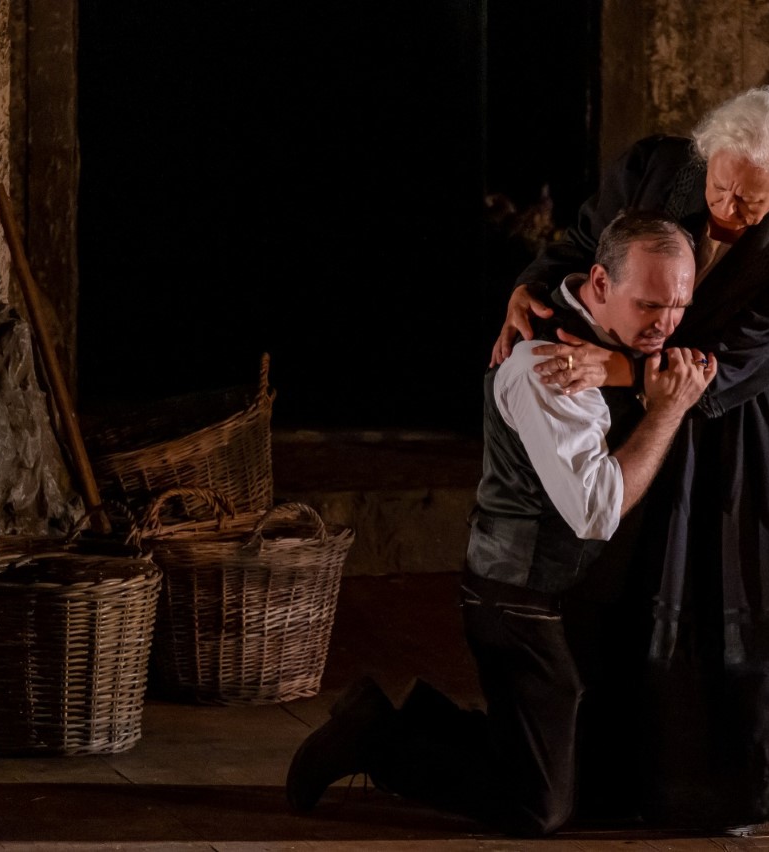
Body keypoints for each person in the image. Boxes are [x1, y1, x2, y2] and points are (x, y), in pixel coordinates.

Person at [493, 86, 769, 830]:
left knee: (727, 571)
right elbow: (579, 247)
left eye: (752, 202)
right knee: (629, 566)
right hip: (656, 393)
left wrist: (613, 371)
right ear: (708, 154)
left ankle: (730, 783)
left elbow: (727, 365)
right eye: (723, 186)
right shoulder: (653, 169)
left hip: (754, 415)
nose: (730, 208)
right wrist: (526, 289)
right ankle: (615, 768)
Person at [285, 211, 716, 837]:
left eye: (680, 306)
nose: (667, 324)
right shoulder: (549, 367)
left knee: (590, 781)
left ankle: (400, 718)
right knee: (536, 807)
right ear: (598, 283)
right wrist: (669, 410)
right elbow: (596, 510)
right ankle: (377, 739)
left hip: (563, 599)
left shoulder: (620, 340)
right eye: (651, 304)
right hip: (517, 602)